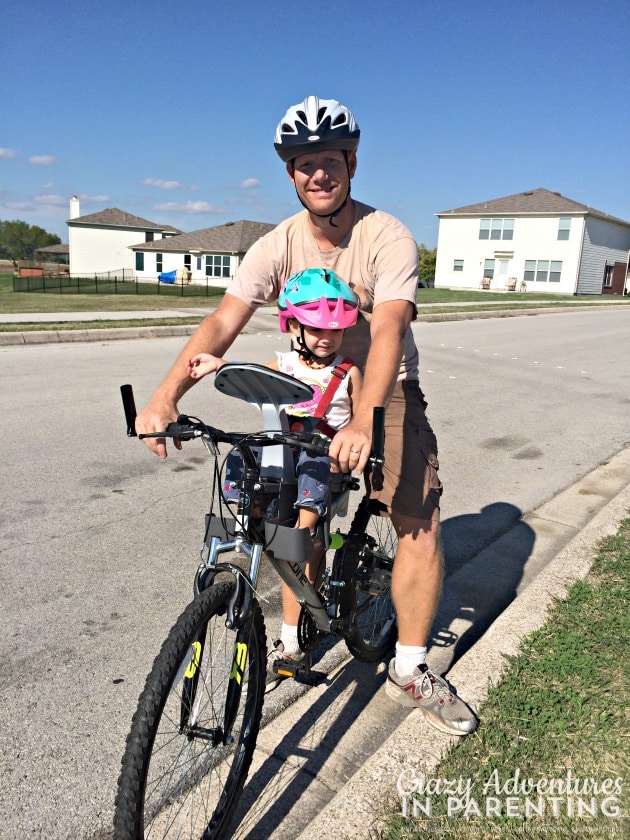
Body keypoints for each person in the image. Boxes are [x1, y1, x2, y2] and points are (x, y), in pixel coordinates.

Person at [136, 95, 477, 735]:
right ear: (290, 174)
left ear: (350, 163)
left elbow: (388, 334)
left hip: (381, 388)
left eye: (328, 161)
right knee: (283, 510)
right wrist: (165, 397)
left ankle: (408, 666)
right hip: (301, 385)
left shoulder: (387, 237)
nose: (317, 174)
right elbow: (223, 320)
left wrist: (362, 421)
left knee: (416, 519)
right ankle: (293, 636)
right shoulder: (278, 243)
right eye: (302, 164)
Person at [187, 268, 362, 687]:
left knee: (313, 471)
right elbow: (248, 373)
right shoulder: (282, 363)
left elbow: (359, 423)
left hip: (320, 461)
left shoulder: (347, 372)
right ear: (294, 325)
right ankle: (248, 518)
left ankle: (300, 538)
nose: (327, 338)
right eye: (316, 328)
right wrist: (218, 364)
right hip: (277, 457)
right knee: (238, 455)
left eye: (336, 331)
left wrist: (354, 445)